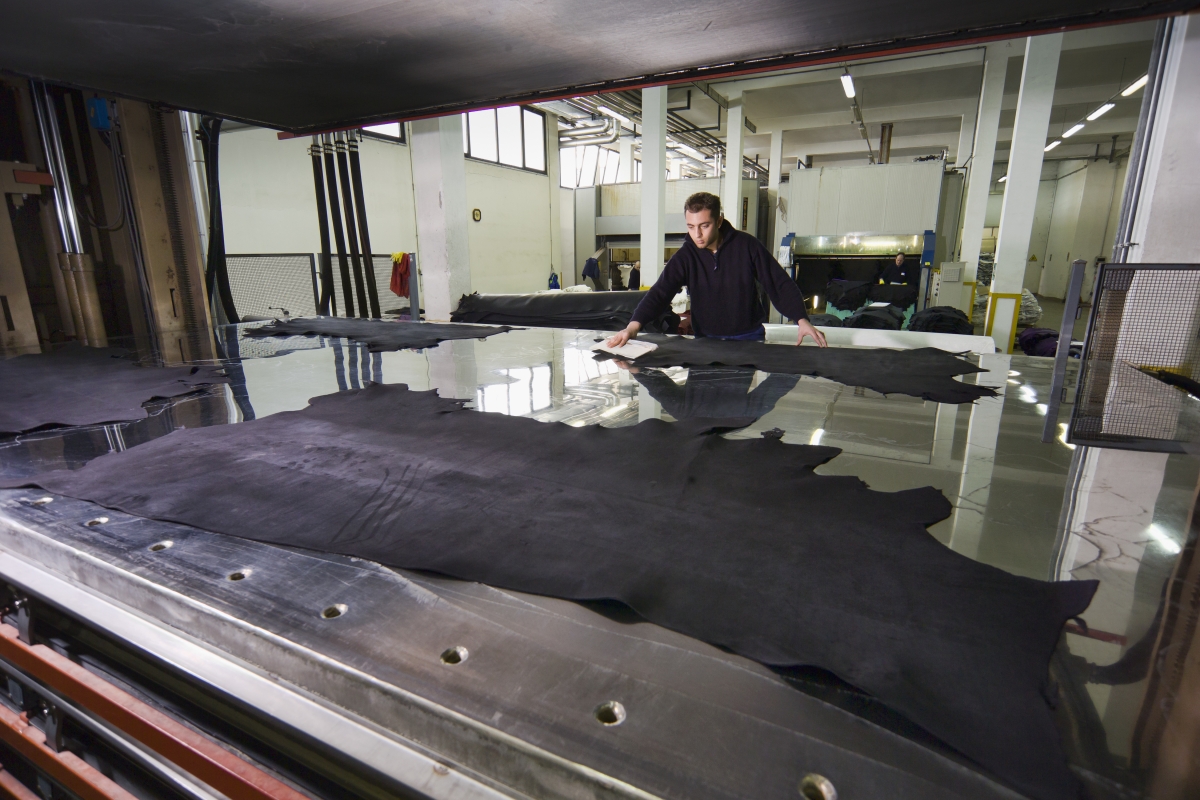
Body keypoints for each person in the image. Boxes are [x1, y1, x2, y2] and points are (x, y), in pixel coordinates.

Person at [605, 192, 826, 348]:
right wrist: (632, 327)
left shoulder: (747, 246)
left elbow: (778, 283)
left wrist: (801, 319)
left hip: (748, 337)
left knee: (740, 400)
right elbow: (660, 293)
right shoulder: (686, 256)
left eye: (704, 226)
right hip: (706, 339)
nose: (697, 234)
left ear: (719, 221)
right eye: (691, 227)